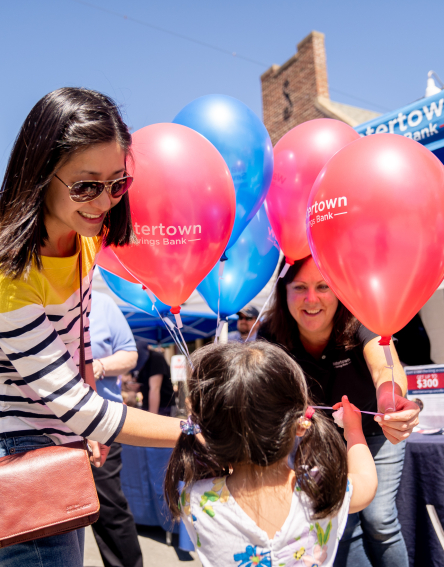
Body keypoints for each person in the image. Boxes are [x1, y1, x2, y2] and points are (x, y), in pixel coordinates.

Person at [0, 87, 180, 567]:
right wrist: (196, 431)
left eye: (117, 184)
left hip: (54, 446)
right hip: (16, 459)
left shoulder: (82, 240)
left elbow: (76, 344)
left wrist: (83, 427)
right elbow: (75, 406)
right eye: (86, 186)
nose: (103, 202)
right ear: (40, 174)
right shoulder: (9, 274)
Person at [257, 256, 420, 567]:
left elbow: (386, 367)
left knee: (380, 521)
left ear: (340, 290)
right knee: (340, 523)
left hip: (375, 436)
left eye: (323, 286)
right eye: (300, 287)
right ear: (283, 292)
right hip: (318, 441)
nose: (311, 298)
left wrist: (391, 401)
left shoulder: (361, 319)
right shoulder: (269, 335)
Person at [164, 341, 378, 567]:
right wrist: (354, 431)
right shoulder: (322, 490)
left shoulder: (194, 498)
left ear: (207, 430)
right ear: (301, 423)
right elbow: (366, 482)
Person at [89, 290, 142, 567]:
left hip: (101, 423)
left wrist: (98, 366)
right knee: (53, 515)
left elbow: (130, 355)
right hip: (46, 424)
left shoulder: (103, 303)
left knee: (109, 508)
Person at [137, 346, 176, 416]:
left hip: (163, 407)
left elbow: (155, 388)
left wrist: (152, 417)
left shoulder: (156, 358)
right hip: (148, 406)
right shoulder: (142, 361)